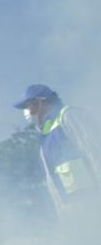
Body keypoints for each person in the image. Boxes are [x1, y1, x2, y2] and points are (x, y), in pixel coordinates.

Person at [13, 84, 100, 221]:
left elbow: (94, 149)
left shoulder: (68, 115)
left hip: (94, 199)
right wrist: (62, 211)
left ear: (40, 102)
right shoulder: (45, 135)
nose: (28, 111)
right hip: (77, 209)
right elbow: (52, 179)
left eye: (29, 105)